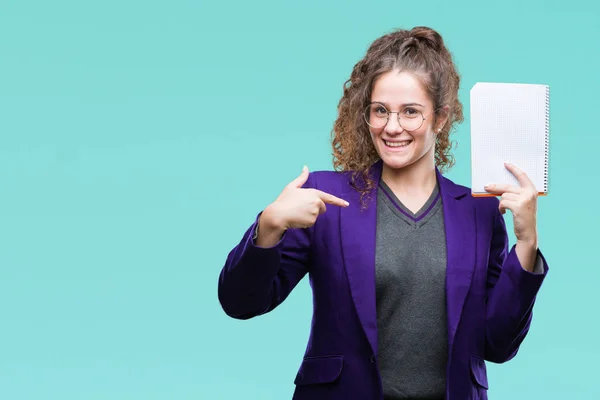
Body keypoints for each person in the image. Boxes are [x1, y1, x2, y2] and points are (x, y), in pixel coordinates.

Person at [217, 26, 548, 400]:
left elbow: (498, 344)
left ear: (440, 118)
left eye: (410, 112)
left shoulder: (480, 210)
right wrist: (269, 226)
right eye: (380, 111)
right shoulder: (325, 198)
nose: (392, 127)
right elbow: (240, 303)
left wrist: (526, 244)